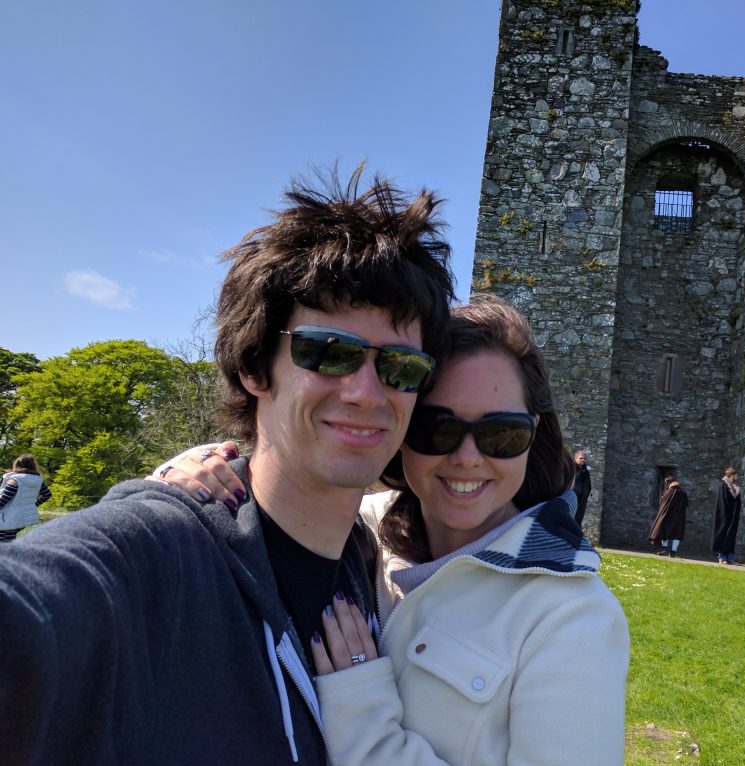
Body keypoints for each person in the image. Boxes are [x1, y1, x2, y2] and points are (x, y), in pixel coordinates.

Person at [0, 167, 455, 763]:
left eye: (402, 366)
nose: (369, 393)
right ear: (252, 366)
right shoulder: (161, 553)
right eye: (330, 352)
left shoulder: (371, 565)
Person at [161, 296, 630, 764]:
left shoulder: (572, 615)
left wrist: (364, 719)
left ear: (533, 434)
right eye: (435, 429)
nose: (467, 457)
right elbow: (278, 487)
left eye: (501, 434)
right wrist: (192, 470)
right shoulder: (359, 530)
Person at [0, 454, 51, 542]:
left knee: (4, 546)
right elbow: (47, 495)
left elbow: (2, 502)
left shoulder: (14, 481)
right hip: (22, 518)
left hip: (7, 517)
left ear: (17, 465)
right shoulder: (38, 480)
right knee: (9, 543)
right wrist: (31, 506)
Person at [649, 476, 688, 557]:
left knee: (665, 531)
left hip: (667, 516)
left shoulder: (669, 492)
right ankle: (673, 552)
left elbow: (663, 504)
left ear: (668, 483)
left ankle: (664, 549)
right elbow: (686, 504)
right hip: (679, 517)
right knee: (677, 533)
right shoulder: (683, 492)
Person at [712, 466, 741, 564]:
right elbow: (722, 503)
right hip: (724, 516)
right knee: (723, 535)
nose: (737, 477)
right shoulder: (723, 486)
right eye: (736, 475)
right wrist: (726, 514)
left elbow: (737, 502)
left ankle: (730, 558)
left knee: (731, 536)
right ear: (732, 475)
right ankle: (722, 557)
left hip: (732, 517)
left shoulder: (735, 487)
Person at [571, 449, 592, 526]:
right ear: (576, 458)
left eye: (584, 458)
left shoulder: (585, 471)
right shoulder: (571, 470)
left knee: (577, 521)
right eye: (580, 458)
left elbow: (587, 485)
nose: (583, 460)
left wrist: (585, 495)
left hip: (582, 501)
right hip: (572, 500)